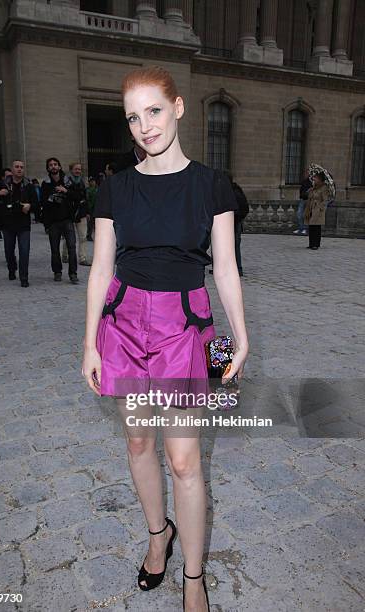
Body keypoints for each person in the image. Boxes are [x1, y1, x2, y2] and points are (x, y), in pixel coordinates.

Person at [82, 66, 248, 611]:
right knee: (137, 443)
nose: (144, 126)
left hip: (186, 326)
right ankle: (160, 535)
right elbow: (101, 269)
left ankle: (194, 578)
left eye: (153, 111)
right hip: (124, 325)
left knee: (185, 460)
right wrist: (89, 344)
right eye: (133, 117)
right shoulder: (114, 187)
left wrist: (239, 340)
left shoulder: (212, 185)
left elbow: (225, 269)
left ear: (178, 107)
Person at [0, 160, 36, 287]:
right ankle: (12, 269)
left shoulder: (28, 185)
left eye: (22, 167)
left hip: (23, 224)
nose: (19, 169)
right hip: (7, 223)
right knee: (9, 250)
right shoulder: (3, 184)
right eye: (17, 167)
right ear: (12, 170)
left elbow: (36, 204)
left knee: (24, 251)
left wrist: (30, 206)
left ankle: (24, 277)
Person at [41, 157, 78, 284]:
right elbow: (44, 204)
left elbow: (77, 196)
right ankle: (57, 271)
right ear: (48, 168)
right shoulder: (46, 183)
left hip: (67, 219)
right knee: (54, 249)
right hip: (53, 221)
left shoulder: (68, 181)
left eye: (55, 164)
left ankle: (73, 273)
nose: (53, 166)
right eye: (50, 165)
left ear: (60, 167)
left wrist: (65, 190)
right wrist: (46, 224)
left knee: (72, 247)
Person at [61, 162, 90, 266]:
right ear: (71, 170)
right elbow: (68, 197)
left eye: (79, 169)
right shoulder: (66, 182)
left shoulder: (82, 182)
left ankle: (83, 258)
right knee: (69, 236)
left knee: (83, 237)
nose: (78, 171)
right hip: (70, 213)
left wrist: (87, 212)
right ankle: (65, 255)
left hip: (81, 213)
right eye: (76, 169)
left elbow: (85, 198)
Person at [304, 171, 330, 250]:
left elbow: (325, 200)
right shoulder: (314, 187)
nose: (313, 178)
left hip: (318, 210)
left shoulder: (324, 187)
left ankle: (316, 244)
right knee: (311, 226)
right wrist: (310, 191)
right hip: (311, 208)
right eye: (314, 177)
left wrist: (320, 208)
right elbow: (309, 197)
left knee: (316, 227)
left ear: (319, 179)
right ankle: (311, 243)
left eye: (315, 177)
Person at [231, 177, 249, 277]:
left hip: (234, 224)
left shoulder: (234, 192)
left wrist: (236, 219)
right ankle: (237, 268)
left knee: (234, 246)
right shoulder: (236, 191)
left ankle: (238, 268)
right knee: (234, 246)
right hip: (235, 223)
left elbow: (243, 209)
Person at [293, 169, 311, 235]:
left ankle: (305, 229)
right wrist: (301, 196)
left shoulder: (313, 182)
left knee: (305, 215)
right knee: (299, 214)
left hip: (309, 200)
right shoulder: (304, 181)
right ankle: (300, 228)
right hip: (303, 199)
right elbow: (301, 190)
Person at [86, 176, 98, 241]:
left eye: (93, 181)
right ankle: (89, 235)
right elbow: (87, 200)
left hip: (97, 208)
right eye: (91, 181)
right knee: (90, 223)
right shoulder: (88, 190)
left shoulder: (97, 189)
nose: (92, 182)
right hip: (91, 208)